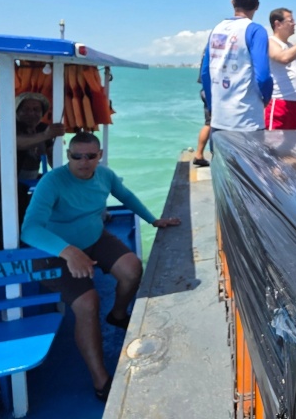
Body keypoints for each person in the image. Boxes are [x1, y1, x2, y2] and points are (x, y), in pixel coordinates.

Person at [21, 132, 181, 401]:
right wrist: (69, 252)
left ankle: (117, 314)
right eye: (76, 156)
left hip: (94, 238)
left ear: (100, 155)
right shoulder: (53, 182)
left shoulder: (104, 175)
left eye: (90, 156)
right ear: (68, 155)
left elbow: (126, 196)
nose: (83, 162)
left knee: (132, 269)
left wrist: (153, 220)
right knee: (87, 303)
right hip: (55, 249)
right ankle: (101, 380)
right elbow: (30, 229)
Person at [200, 0, 272, 133]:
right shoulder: (256, 31)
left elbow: (205, 73)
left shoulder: (216, 29)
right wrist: (266, 99)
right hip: (248, 121)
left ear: (232, 2)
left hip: (219, 120)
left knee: (220, 157)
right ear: (257, 5)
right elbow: (263, 76)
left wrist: (213, 107)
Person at [0, 92, 66, 183]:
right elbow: (14, 143)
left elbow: (53, 160)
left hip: (18, 184)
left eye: (36, 109)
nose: (31, 113)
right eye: (25, 109)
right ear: (15, 112)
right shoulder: (4, 126)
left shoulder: (42, 128)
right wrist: (45, 135)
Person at [193, 67, 211, 167]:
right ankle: (199, 154)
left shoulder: (207, 51)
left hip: (206, 89)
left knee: (209, 123)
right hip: (212, 90)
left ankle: (199, 154)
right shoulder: (212, 51)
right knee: (210, 124)